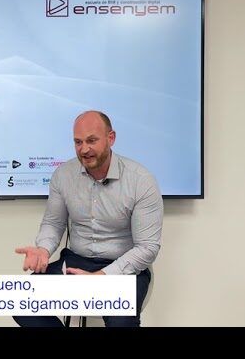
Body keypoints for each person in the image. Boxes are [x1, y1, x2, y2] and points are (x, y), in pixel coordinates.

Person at [14, 111, 163, 327]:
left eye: (91, 140)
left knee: (121, 322)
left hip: (123, 268)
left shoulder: (141, 181)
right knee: (21, 302)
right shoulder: (63, 175)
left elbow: (148, 247)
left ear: (111, 138)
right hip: (75, 262)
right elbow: (54, 223)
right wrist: (43, 249)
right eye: (78, 142)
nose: (84, 149)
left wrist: (102, 276)